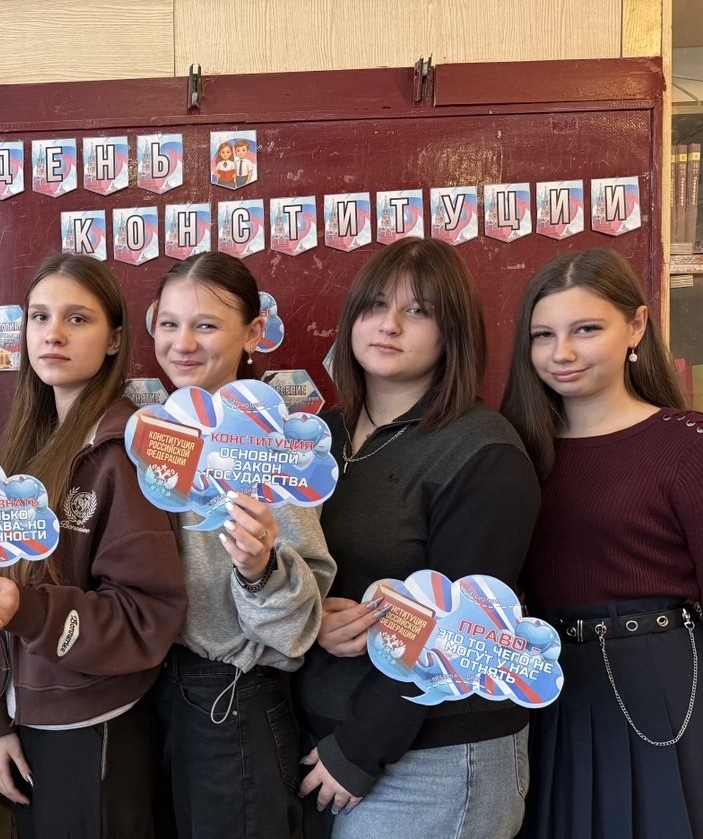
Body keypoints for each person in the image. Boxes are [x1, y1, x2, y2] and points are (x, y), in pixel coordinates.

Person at [294, 238, 539, 839]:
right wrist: (308, 618)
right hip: (320, 739)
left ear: (453, 333)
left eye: (419, 311)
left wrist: (359, 748)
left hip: (431, 759)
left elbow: (459, 633)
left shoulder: (482, 453)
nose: (390, 325)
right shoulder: (317, 438)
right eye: (376, 304)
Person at [0, 253, 187, 838]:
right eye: (39, 316)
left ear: (114, 340)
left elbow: (147, 614)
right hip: (29, 722)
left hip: (97, 725)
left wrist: (32, 612)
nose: (52, 334)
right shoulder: (27, 448)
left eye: (77, 319)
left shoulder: (123, 452)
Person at [501, 248, 703, 839]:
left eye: (586, 329)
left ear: (636, 325)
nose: (561, 353)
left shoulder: (686, 442)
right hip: (539, 685)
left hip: (661, 685)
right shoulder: (508, 449)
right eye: (543, 335)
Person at [150, 251, 335, 839]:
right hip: (156, 692)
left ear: (253, 333)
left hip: (231, 698)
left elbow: (296, 625)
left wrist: (260, 570)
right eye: (169, 323)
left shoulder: (269, 445)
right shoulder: (154, 435)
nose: (183, 343)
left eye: (206, 325)